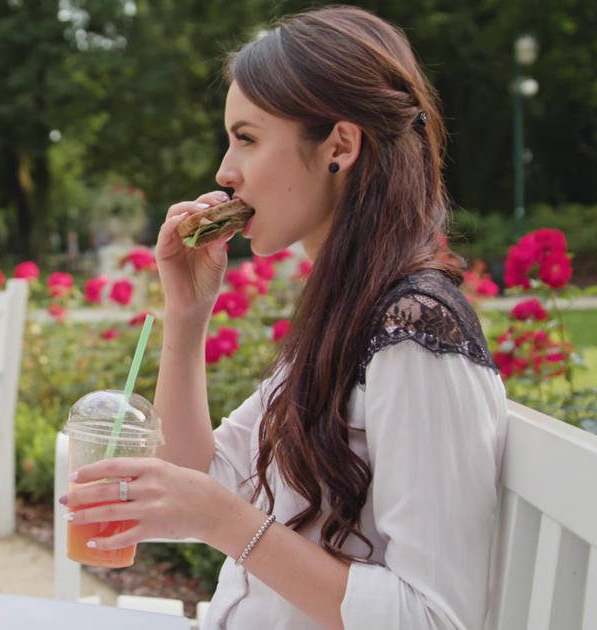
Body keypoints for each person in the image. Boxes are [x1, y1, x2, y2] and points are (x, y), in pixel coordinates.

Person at [59, 5, 507, 629]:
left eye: (247, 138)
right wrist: (186, 319)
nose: (225, 170)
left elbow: (432, 618)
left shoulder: (414, 333)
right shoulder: (344, 315)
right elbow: (196, 476)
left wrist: (224, 519)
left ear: (339, 146)